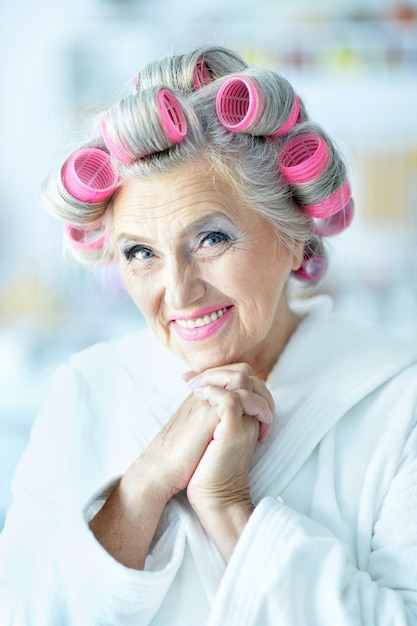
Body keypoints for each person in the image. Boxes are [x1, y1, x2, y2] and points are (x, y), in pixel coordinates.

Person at [0, 45, 416, 626]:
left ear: (293, 233)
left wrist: (227, 510)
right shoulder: (89, 389)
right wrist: (144, 486)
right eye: (141, 252)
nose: (178, 291)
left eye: (212, 239)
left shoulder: (399, 403)